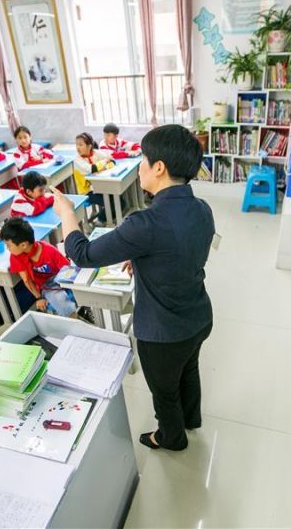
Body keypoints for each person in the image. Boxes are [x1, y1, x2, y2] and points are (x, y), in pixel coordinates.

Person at [52, 124, 214, 451]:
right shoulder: (202, 209)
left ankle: (171, 437)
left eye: (143, 157)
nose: (139, 164)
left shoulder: (145, 224)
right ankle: (191, 419)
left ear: (159, 168)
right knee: (189, 369)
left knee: (164, 390)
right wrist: (144, 259)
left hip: (163, 333)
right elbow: (182, 251)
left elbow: (82, 254)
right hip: (198, 317)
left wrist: (67, 214)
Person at [0, 217, 92, 321]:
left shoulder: (49, 251)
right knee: (59, 298)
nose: (8, 249)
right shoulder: (16, 256)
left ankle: (85, 310)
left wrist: (71, 286)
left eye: (8, 245)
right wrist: (39, 298)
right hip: (46, 286)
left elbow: (67, 269)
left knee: (81, 288)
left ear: (23, 245)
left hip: (62, 276)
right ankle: (74, 320)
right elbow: (27, 281)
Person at [73, 132, 117, 225]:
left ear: (89, 146)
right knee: (110, 202)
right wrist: (105, 162)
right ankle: (101, 220)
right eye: (77, 145)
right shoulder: (77, 160)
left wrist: (106, 165)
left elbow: (112, 160)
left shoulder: (95, 153)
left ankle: (109, 217)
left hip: (101, 187)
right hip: (87, 192)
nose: (78, 147)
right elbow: (92, 169)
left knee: (120, 200)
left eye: (81, 145)